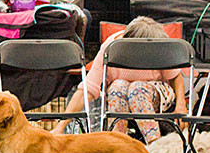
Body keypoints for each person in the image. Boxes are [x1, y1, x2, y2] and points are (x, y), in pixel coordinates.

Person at [51, 17, 186, 143]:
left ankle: (155, 144)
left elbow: (175, 76)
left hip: (157, 95)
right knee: (117, 86)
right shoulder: (111, 48)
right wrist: (61, 126)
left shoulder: (158, 45)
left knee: (137, 88)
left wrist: (181, 105)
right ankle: (120, 143)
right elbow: (88, 89)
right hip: (122, 95)